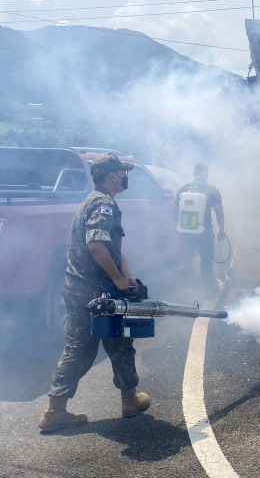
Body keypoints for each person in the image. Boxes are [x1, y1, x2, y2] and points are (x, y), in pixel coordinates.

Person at [39, 153, 150, 432]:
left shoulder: (94, 200)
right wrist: (118, 280)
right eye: (122, 172)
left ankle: (55, 411)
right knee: (120, 343)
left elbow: (113, 248)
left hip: (78, 288)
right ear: (113, 175)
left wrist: (126, 274)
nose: (126, 176)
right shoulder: (104, 205)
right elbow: (97, 246)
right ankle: (129, 400)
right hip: (99, 292)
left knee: (79, 347)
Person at [175, 163, 225, 295]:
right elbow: (219, 212)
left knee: (186, 259)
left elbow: (175, 211)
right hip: (205, 232)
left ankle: (182, 288)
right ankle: (208, 289)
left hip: (185, 233)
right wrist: (222, 230)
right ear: (206, 174)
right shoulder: (212, 190)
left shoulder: (183, 189)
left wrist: (177, 227)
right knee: (206, 261)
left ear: (193, 173)